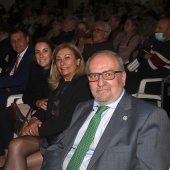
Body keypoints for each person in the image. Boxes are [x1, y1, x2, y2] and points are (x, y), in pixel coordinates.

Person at [42, 50, 170, 170]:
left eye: (108, 74)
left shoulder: (149, 116)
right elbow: (57, 147)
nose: (100, 83)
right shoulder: (82, 108)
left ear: (123, 77)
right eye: (93, 76)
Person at [4, 43, 93, 170]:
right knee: (15, 147)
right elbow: (46, 107)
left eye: (67, 57)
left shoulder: (83, 84)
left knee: (16, 154)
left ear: (78, 61)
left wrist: (37, 130)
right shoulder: (60, 84)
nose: (62, 62)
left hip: (64, 140)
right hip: (50, 135)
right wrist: (34, 120)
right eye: (58, 59)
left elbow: (68, 119)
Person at [0, 37, 53, 168]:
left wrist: (37, 113)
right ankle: (6, 154)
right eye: (37, 52)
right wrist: (37, 102)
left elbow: (53, 101)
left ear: (52, 53)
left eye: (45, 51)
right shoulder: (35, 68)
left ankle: (12, 156)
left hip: (47, 112)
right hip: (35, 107)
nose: (41, 55)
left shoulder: (58, 71)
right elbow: (26, 95)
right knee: (4, 114)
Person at [125, 17, 170, 94]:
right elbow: (140, 54)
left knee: (120, 85)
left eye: (160, 28)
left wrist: (144, 57)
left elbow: (147, 67)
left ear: (169, 31)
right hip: (142, 77)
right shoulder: (158, 43)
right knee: (118, 77)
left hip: (153, 84)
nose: (156, 30)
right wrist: (145, 57)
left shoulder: (167, 48)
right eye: (156, 27)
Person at [0, 27, 34, 109]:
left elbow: (18, 80)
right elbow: (9, 74)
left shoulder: (31, 57)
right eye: (13, 41)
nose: (16, 43)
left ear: (27, 39)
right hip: (7, 90)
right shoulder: (18, 55)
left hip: (17, 95)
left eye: (19, 40)